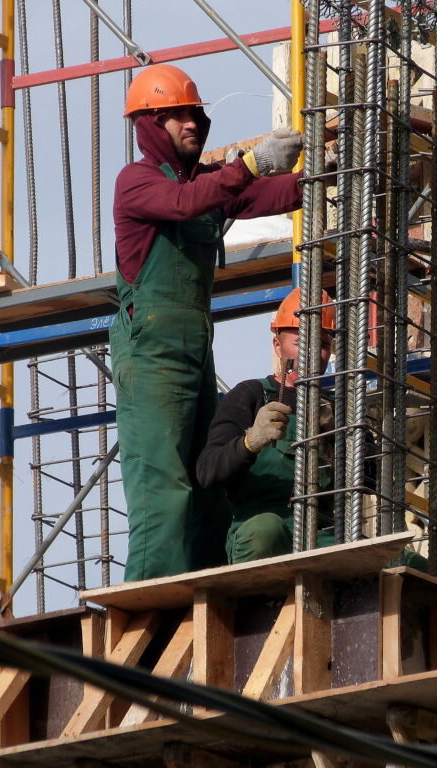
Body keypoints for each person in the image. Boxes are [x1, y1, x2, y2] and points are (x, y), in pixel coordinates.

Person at [111, 64, 305, 581]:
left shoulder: (207, 186)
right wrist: (251, 163)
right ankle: (151, 609)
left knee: (205, 483)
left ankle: (206, 597)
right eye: (174, 116)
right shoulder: (138, 183)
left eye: (194, 114)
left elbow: (271, 195)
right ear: (150, 125)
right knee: (163, 485)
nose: (190, 123)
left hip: (193, 350)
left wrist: (326, 168)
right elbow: (183, 203)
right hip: (151, 352)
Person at [196, 288, 338, 563]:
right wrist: (250, 442)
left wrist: (343, 441)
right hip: (264, 528)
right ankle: (259, 604)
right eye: (300, 342)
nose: (311, 353)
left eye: (321, 344)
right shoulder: (251, 395)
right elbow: (207, 471)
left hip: (325, 535)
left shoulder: (339, 407)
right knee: (266, 531)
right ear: (277, 345)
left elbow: (371, 481)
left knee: (406, 561)